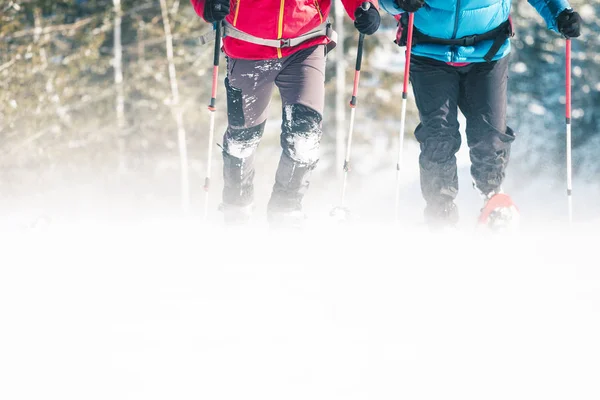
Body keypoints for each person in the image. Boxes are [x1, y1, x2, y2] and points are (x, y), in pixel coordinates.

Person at [378, 0, 581, 229]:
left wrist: (560, 13)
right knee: (438, 135)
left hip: (488, 51)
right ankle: (440, 213)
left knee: (490, 135)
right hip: (428, 52)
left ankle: (494, 198)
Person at [191, 0, 381, 228]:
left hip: (305, 45)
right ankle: (236, 210)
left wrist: (365, 6)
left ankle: (286, 212)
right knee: (242, 141)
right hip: (246, 45)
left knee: (305, 139)